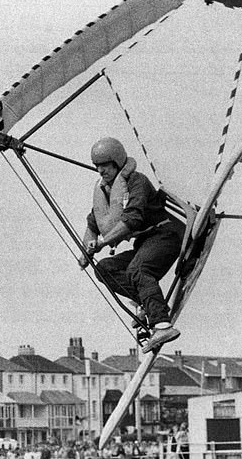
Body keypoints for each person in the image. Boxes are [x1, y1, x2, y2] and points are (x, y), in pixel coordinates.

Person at [78, 137, 185, 352]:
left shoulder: (137, 182)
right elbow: (93, 225)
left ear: (117, 163)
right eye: (97, 167)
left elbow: (132, 220)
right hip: (145, 242)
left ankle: (162, 325)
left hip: (165, 235)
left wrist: (102, 243)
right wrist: (85, 251)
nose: (101, 171)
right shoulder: (106, 191)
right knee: (104, 269)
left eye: (105, 166)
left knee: (137, 270)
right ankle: (150, 304)